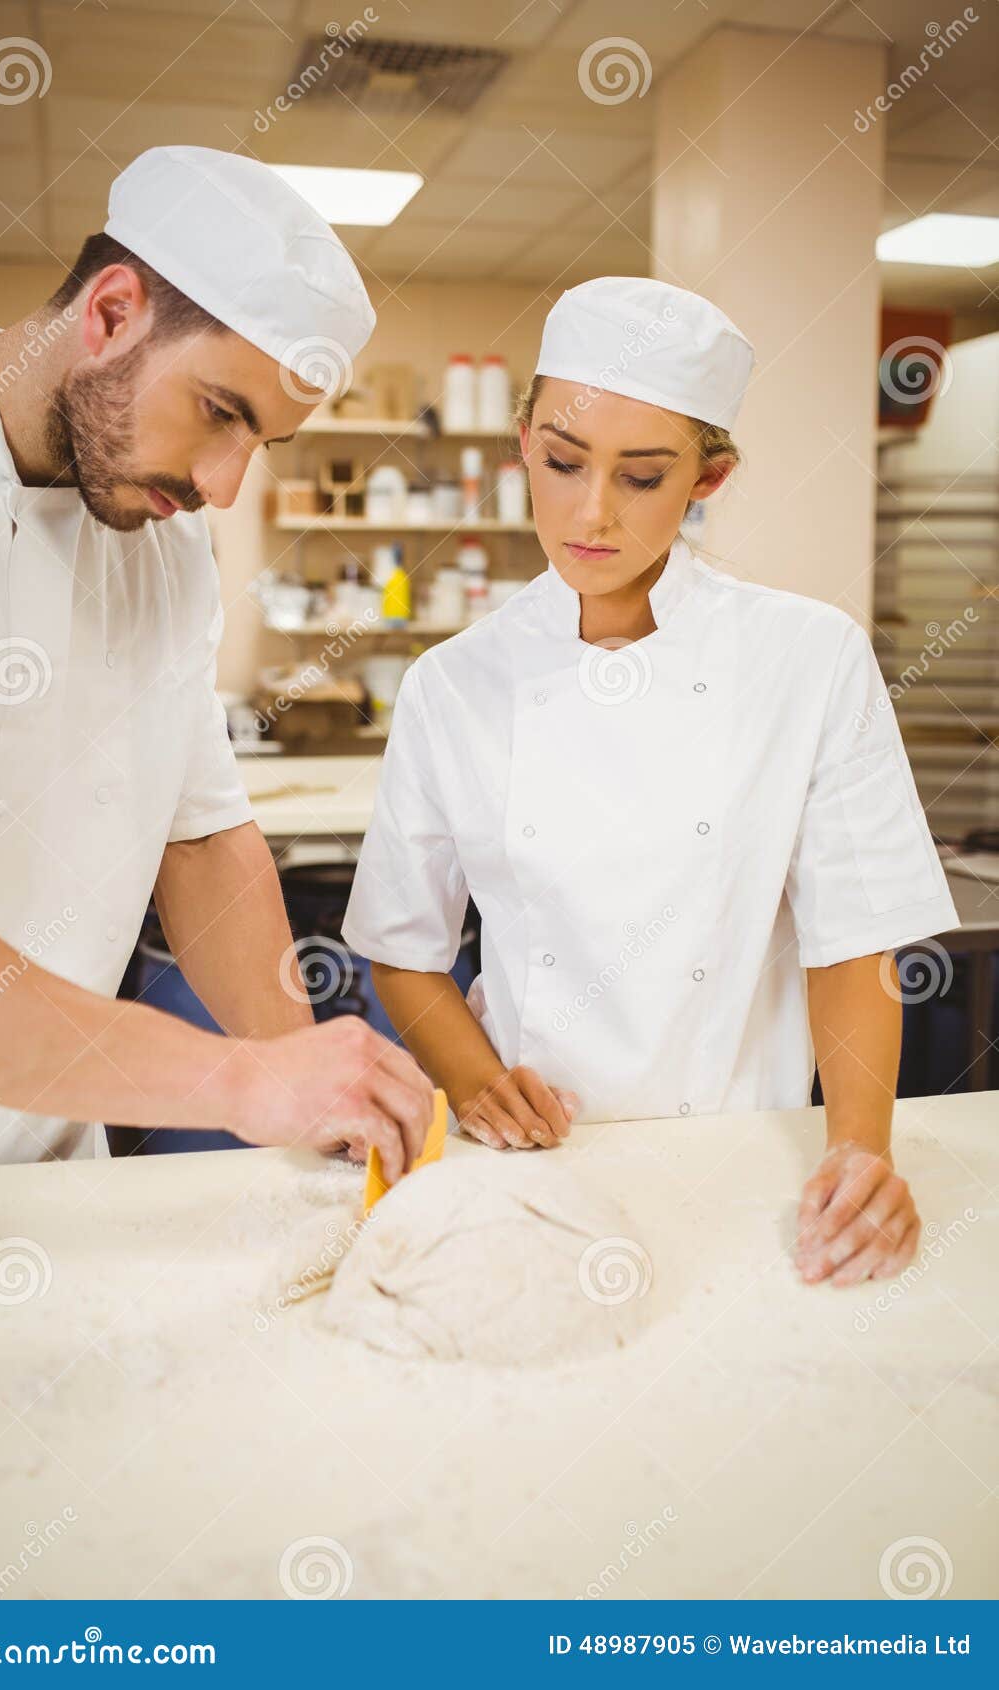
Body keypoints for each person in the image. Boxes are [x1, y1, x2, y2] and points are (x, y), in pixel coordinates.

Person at [342, 275, 961, 1288]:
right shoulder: (450, 685)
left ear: (704, 480)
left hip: (736, 1161)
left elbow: (852, 942)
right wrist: (477, 1080)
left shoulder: (805, 658)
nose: (589, 513)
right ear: (521, 449)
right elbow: (403, 952)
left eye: (640, 477)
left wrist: (860, 1150)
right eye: (560, 462)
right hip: (522, 1171)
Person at [0, 144, 432, 1173]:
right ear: (111, 313)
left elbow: (201, 842)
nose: (224, 485)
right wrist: (238, 1083)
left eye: (263, 442)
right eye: (219, 411)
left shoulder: (165, 544)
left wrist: (309, 1071)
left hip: (51, 1181)